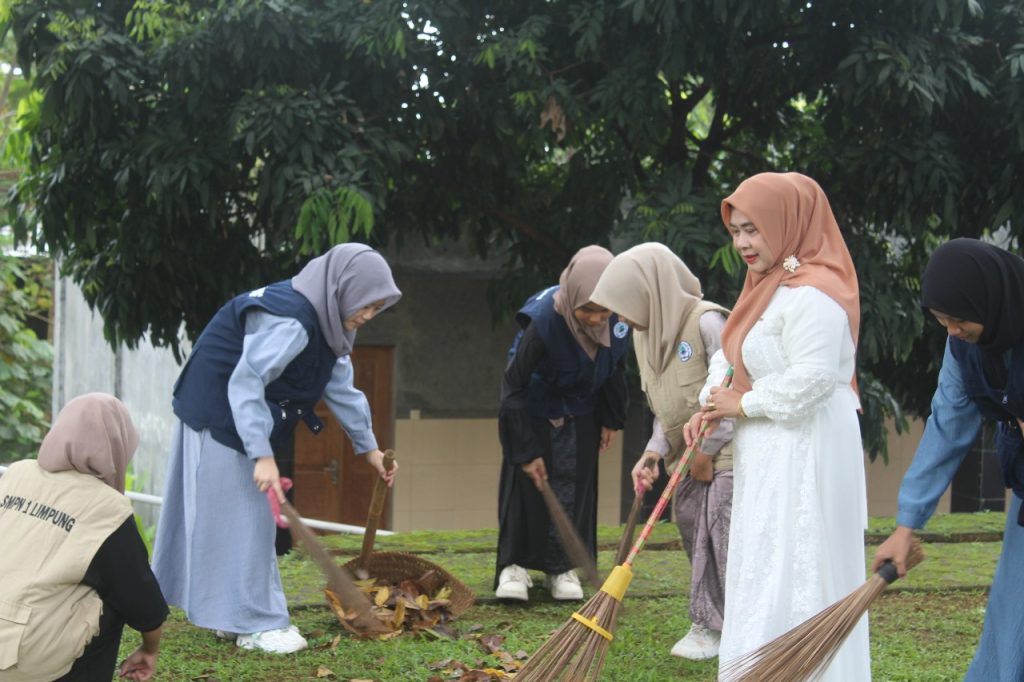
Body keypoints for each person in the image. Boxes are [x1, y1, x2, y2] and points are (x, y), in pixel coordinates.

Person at [153, 243, 401, 654]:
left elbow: (341, 387)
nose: (367, 317)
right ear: (342, 288)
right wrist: (262, 455)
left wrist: (369, 449)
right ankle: (257, 623)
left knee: (237, 519)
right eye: (366, 306)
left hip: (239, 414)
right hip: (218, 411)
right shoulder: (294, 320)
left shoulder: (329, 320)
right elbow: (246, 382)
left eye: (376, 310)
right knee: (247, 519)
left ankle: (233, 616)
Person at [686, 172, 870, 679]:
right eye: (736, 231)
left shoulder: (817, 295)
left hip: (808, 446)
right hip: (766, 451)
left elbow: (813, 381)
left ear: (787, 224)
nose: (743, 243)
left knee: (801, 560)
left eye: (754, 229)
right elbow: (729, 359)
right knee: (763, 560)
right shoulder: (761, 291)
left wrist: (740, 405)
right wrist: (709, 404)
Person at [873, 238, 1024, 681]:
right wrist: (906, 526)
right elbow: (947, 426)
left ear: (990, 301)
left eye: (959, 319)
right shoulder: (964, 347)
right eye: (942, 321)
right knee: (1013, 614)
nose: (952, 331)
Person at [590, 242, 733, 660]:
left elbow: (732, 382)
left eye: (623, 304)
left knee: (720, 532)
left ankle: (715, 626)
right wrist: (653, 452)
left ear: (649, 291)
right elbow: (664, 405)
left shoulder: (707, 320)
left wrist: (707, 449)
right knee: (690, 524)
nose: (619, 317)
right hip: (682, 455)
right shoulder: (643, 334)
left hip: (725, 451)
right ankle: (718, 619)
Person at [0, 393, 168, 681]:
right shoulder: (106, 510)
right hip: (20, 656)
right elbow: (142, 599)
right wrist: (149, 650)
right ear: (118, 446)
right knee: (112, 600)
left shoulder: (17, 474)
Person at [494, 245, 630, 601]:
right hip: (534, 407)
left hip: (582, 409)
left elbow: (615, 369)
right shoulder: (544, 320)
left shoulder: (618, 320)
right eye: (588, 310)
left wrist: (611, 418)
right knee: (526, 488)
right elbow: (514, 385)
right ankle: (514, 566)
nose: (597, 319)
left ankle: (563, 568)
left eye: (604, 310)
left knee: (576, 487)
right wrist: (524, 449)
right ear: (573, 300)